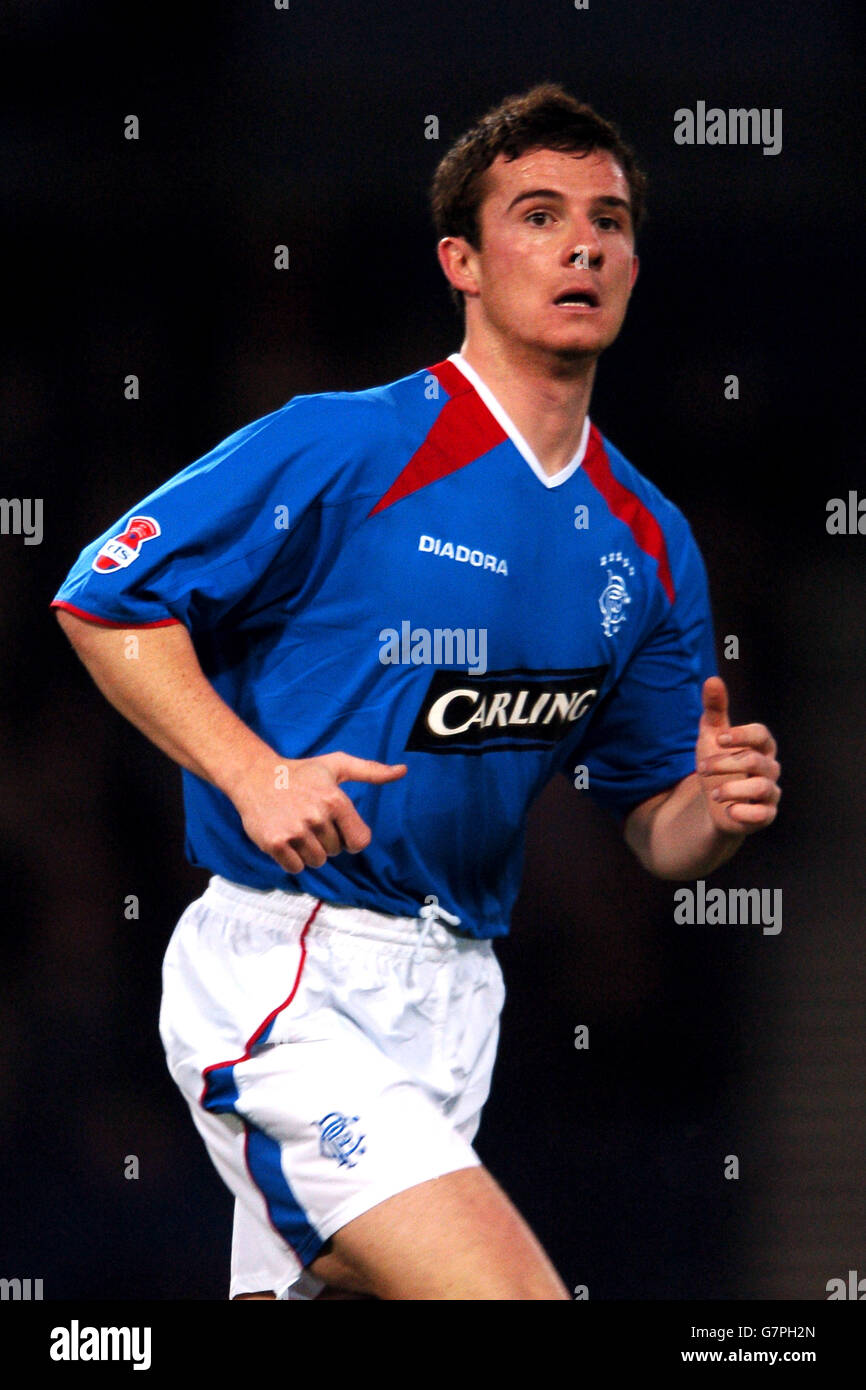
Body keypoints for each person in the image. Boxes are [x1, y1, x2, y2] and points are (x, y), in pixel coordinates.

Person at [51, 83, 781, 1301]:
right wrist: (254, 770)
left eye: (606, 220)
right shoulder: (348, 445)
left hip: (454, 1003)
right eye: (539, 215)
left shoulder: (647, 539)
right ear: (463, 261)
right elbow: (100, 596)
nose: (582, 243)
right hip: (289, 972)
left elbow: (656, 832)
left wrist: (714, 807)